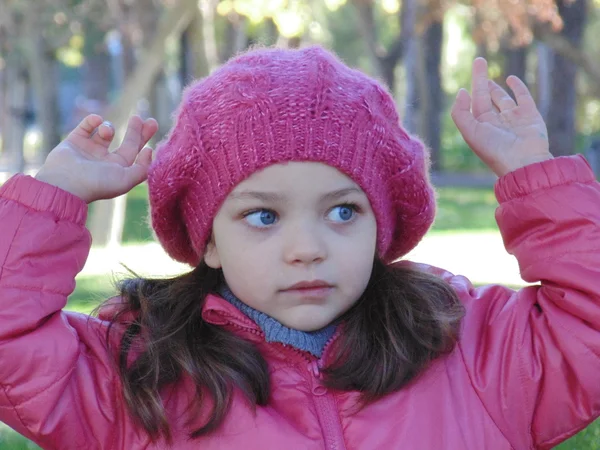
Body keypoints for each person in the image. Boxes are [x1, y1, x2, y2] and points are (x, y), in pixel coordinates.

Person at [0, 46, 598, 450]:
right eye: (263, 215)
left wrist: (532, 175)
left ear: (380, 227)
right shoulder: (137, 377)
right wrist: (53, 197)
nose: (307, 248)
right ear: (207, 240)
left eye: (343, 211)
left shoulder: (472, 350)